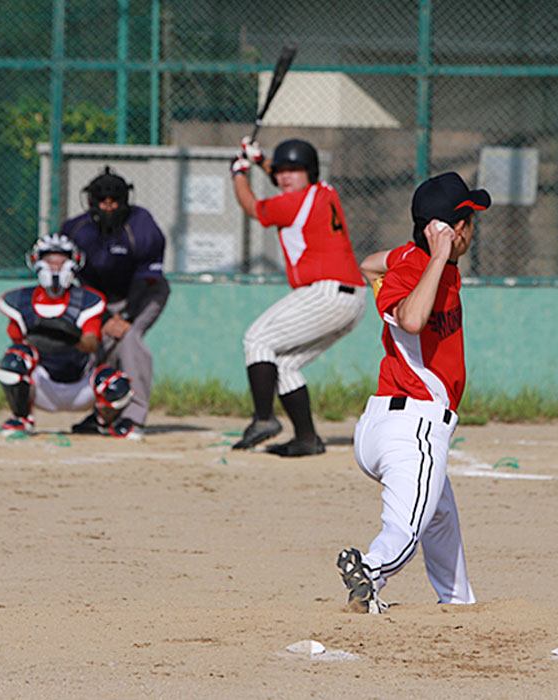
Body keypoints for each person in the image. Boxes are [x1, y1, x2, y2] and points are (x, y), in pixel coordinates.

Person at [335, 172, 484, 615]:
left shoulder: (408, 258)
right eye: (469, 221)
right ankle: (370, 569)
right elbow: (413, 320)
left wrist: (432, 254)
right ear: (453, 230)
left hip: (395, 424)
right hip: (411, 428)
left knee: (439, 516)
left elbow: (368, 263)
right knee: (407, 530)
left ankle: (458, 603)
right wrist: (435, 259)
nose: (473, 231)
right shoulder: (416, 269)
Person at [228, 137, 367, 456]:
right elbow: (285, 184)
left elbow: (252, 207)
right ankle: (306, 439)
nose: (286, 176)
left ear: (310, 172)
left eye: (295, 170)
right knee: (285, 364)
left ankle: (263, 419)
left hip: (327, 292)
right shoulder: (325, 192)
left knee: (257, 340)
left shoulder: (289, 203)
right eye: (282, 170)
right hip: (352, 299)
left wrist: (238, 172)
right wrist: (261, 159)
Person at [59, 168, 167, 439]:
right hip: (98, 302)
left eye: (114, 201)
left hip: (143, 296)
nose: (108, 207)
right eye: (102, 202)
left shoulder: (142, 225)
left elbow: (148, 280)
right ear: (91, 202)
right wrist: (106, 318)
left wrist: (126, 317)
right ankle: (103, 414)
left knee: (129, 342)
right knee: (97, 347)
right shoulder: (75, 230)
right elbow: (72, 282)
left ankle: (135, 417)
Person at [0, 235, 135, 437]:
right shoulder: (19, 300)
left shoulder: (88, 300)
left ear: (74, 262)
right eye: (50, 260)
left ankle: (103, 422)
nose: (55, 267)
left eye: (61, 260)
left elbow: (92, 344)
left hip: (80, 385)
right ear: (36, 262)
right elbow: (18, 344)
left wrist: (67, 337)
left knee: (117, 385)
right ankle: (21, 418)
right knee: (13, 360)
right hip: (43, 385)